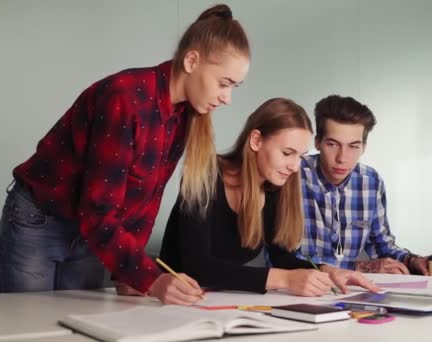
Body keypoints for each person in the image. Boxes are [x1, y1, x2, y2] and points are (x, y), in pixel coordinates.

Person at [0, 4, 250, 305]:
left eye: (235, 87)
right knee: (27, 328)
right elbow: (99, 212)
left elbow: (145, 204)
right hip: (39, 221)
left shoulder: (184, 117)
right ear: (192, 60)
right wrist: (149, 278)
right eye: (224, 83)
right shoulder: (125, 98)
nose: (228, 98)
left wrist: (129, 275)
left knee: (76, 329)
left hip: (91, 234)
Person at [159, 98, 379, 295]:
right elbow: (197, 266)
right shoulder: (205, 173)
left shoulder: (274, 185)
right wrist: (283, 279)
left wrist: (328, 272)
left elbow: (282, 257)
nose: (295, 167)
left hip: (218, 301)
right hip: (171, 300)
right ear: (256, 140)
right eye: (287, 153)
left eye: (300, 156)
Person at [298, 95, 432, 275]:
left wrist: (412, 260)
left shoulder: (370, 181)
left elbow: (381, 246)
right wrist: (358, 267)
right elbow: (285, 257)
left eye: (353, 146)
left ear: (364, 147)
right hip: (297, 291)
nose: (342, 158)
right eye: (332, 144)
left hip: (349, 290)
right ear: (317, 142)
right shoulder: (294, 175)